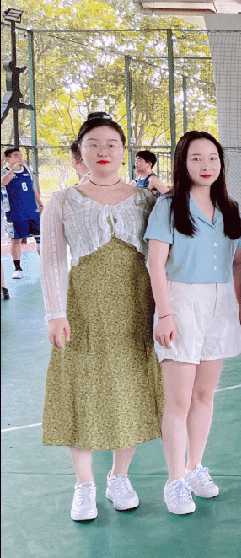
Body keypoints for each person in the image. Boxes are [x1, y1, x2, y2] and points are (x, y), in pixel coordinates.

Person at [39, 112, 164, 522]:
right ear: (80, 153)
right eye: (93, 144)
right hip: (82, 308)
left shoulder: (147, 200)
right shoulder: (62, 200)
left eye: (112, 144)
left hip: (134, 304)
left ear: (125, 151)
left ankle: (119, 477)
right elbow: (52, 260)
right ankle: (84, 484)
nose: (103, 151)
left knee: (129, 387)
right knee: (82, 387)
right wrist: (55, 313)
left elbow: (167, 250)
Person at [145, 132, 241, 515]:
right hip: (182, 300)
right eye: (196, 158)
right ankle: (174, 480)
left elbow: (237, 261)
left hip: (220, 304)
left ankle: (194, 468)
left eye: (212, 158)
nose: (206, 166)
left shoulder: (230, 207)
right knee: (179, 400)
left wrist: (240, 309)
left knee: (204, 395)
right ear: (182, 164)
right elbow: (156, 263)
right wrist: (165, 313)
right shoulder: (169, 206)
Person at [3, 147, 44, 279]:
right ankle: (17, 268)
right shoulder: (4, 172)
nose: (20, 157)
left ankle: (45, 265)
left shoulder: (27, 170)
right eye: (16, 155)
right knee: (16, 240)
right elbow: (4, 182)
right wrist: (13, 170)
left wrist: (40, 203)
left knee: (40, 238)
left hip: (32, 211)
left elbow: (33, 188)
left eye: (20, 155)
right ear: (8, 159)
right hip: (15, 213)